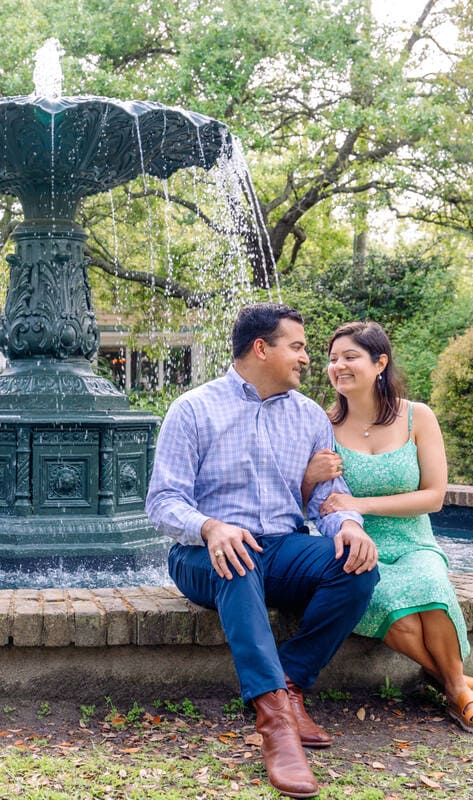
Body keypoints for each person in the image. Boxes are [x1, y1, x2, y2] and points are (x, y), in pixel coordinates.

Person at [146, 303, 379, 800]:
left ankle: (290, 684)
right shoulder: (193, 408)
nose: (307, 359)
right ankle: (275, 723)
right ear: (261, 348)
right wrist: (210, 527)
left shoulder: (310, 416)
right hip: (201, 553)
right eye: (297, 347)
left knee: (356, 567)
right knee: (237, 556)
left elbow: (326, 499)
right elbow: (162, 502)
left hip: (282, 546)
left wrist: (351, 525)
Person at [304, 321, 473, 736]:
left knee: (431, 591)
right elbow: (311, 501)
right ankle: (459, 687)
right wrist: (309, 477)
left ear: (380, 362)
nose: (337, 365)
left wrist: (361, 502)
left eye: (350, 357)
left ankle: (456, 690)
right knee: (399, 615)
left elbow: (434, 496)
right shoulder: (321, 424)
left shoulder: (417, 417)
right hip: (356, 544)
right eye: (333, 358)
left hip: (413, 541)